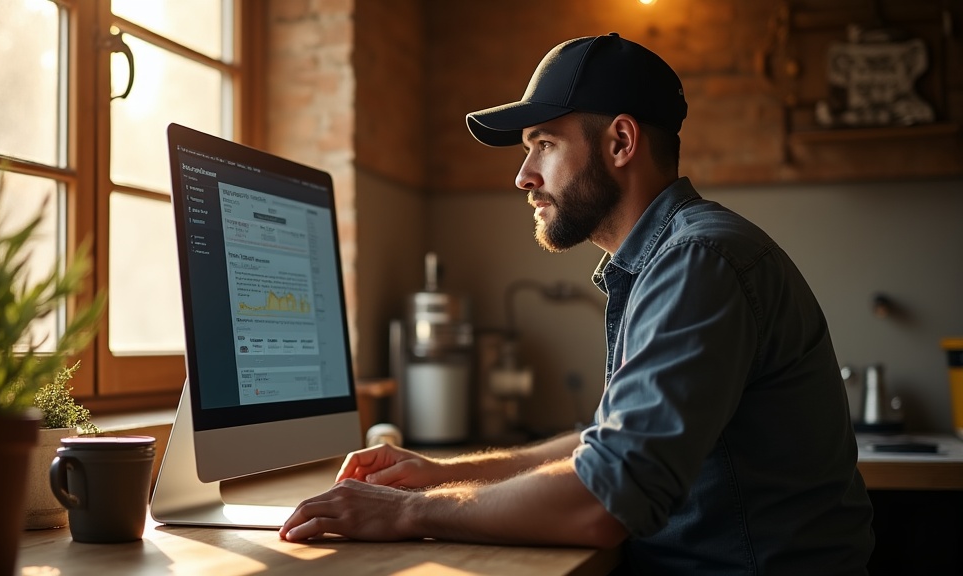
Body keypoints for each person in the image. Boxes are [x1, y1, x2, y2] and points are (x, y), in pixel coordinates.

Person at [280, 32, 874, 575]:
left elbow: (604, 499)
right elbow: (607, 442)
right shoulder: (673, 257)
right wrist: (442, 473)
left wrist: (407, 513)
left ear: (621, 142)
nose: (524, 176)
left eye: (544, 144)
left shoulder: (698, 262)